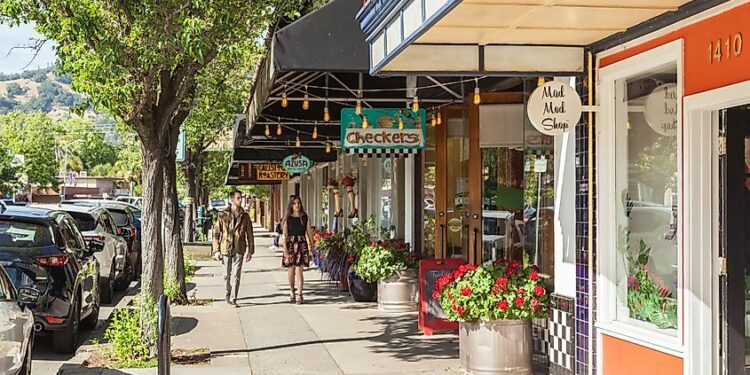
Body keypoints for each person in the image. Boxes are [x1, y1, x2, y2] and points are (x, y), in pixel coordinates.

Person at [212, 189, 255, 306]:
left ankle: (233, 298)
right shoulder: (223, 215)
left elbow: (250, 234)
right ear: (232, 200)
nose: (240, 200)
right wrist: (216, 250)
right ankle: (228, 291)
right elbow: (217, 233)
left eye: (240, 198)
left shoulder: (245, 216)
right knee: (226, 275)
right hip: (226, 248)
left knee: (236, 274)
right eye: (238, 198)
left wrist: (250, 251)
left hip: (240, 248)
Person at [282, 195, 315, 304]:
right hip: (290, 245)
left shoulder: (305, 217)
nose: (297, 205)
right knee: (291, 271)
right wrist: (285, 251)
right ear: (291, 205)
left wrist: (312, 247)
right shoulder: (287, 219)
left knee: (299, 271)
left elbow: (309, 233)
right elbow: (284, 236)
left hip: (301, 245)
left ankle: (300, 294)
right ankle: (292, 290)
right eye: (295, 203)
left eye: (298, 203)